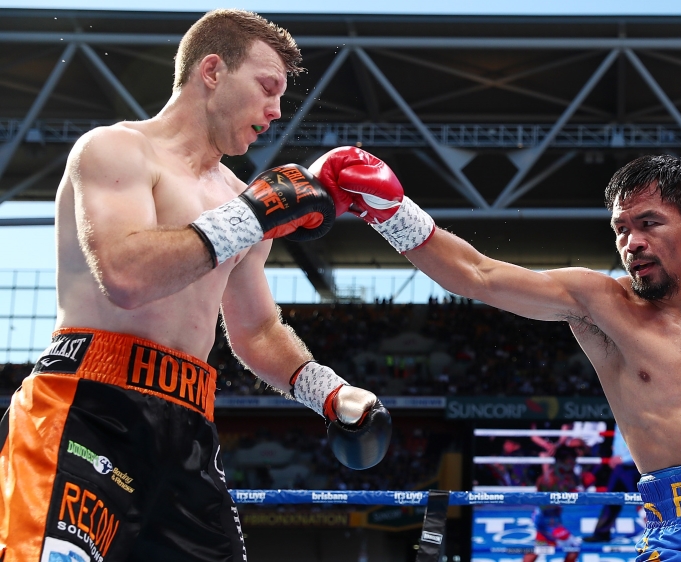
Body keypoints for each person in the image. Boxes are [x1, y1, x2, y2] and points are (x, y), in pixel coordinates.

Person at [310, 148, 681, 561]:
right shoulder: (601, 304)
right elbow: (478, 275)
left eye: (649, 224)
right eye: (621, 229)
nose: (632, 243)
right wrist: (390, 211)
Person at [0, 10, 390, 562]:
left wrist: (331, 392)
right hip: (88, 409)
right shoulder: (115, 150)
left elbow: (256, 331)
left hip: (188, 433)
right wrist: (251, 216)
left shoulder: (243, 200)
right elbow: (126, 275)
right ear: (212, 70)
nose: (276, 111)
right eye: (267, 87)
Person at [528, 445, 582, 562]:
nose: (573, 464)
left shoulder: (567, 474)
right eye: (571, 461)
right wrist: (569, 494)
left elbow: (575, 488)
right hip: (546, 520)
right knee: (574, 547)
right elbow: (544, 503)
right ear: (562, 461)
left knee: (540, 548)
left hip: (551, 519)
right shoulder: (549, 479)